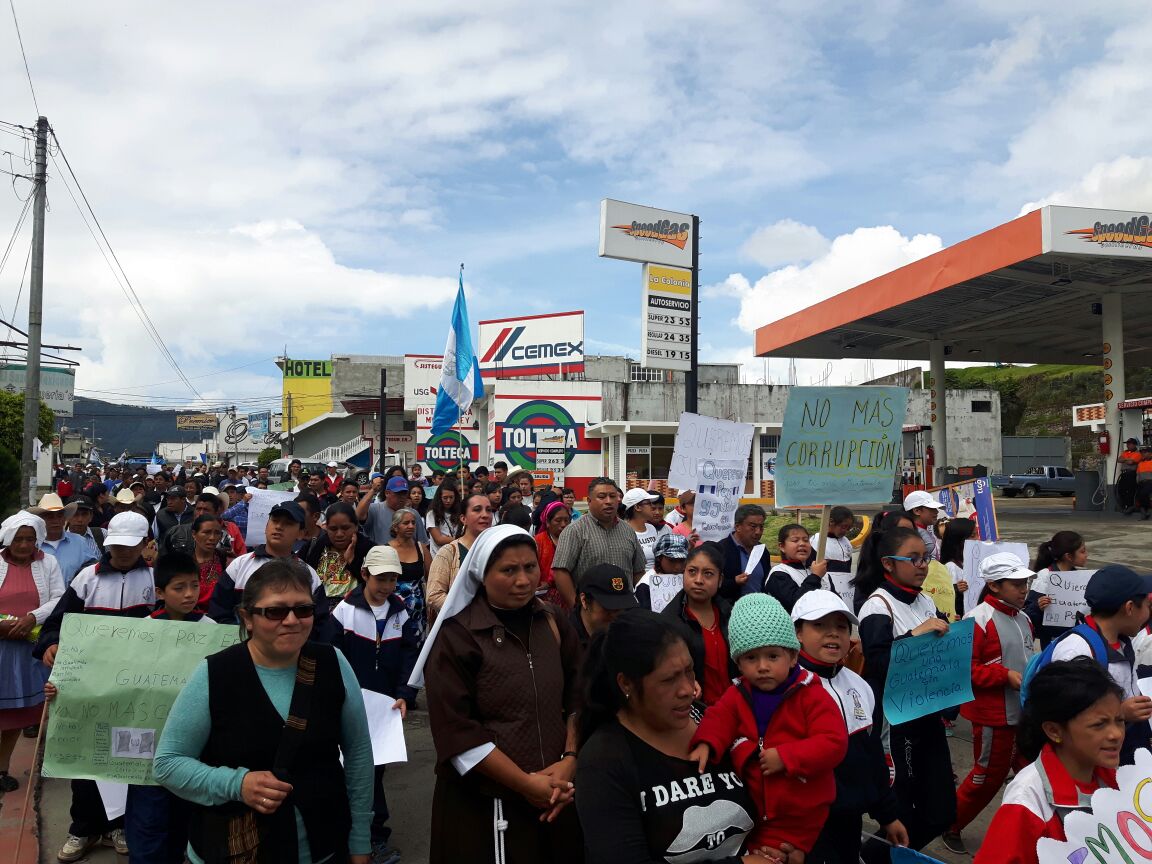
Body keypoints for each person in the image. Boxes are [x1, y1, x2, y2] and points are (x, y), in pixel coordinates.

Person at [153, 561, 375, 863]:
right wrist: (238, 785)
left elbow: (359, 754)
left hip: (322, 844)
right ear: (248, 618)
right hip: (233, 847)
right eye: (275, 611)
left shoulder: (334, 663)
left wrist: (360, 839)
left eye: (304, 609)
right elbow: (168, 764)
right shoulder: (215, 674)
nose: (292, 620)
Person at [413, 525, 583, 864]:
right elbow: (457, 731)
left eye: (530, 567)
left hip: (555, 794)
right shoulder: (459, 636)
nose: (524, 580)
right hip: (484, 804)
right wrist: (524, 783)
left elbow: (579, 693)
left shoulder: (552, 621)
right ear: (481, 574)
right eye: (508, 570)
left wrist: (569, 760)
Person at [576, 609, 781, 862]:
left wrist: (782, 844)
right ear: (626, 684)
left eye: (689, 671)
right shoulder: (603, 761)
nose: (687, 690)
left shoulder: (715, 722)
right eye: (669, 680)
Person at [690, 593, 847, 858]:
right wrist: (706, 741)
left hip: (802, 809)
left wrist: (787, 757)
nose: (763, 667)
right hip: (757, 808)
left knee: (774, 854)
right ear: (738, 663)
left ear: (793, 657)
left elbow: (834, 742)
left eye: (773, 656)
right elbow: (718, 717)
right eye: (751, 658)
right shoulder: (739, 693)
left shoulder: (811, 695)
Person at [35, 511, 154, 861]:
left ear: (146, 545)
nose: (122, 553)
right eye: (116, 546)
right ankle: (83, 828)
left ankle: (119, 824)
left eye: (130, 547)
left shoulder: (156, 580)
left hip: (137, 689)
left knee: (129, 755)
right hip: (91, 686)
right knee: (87, 757)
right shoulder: (87, 578)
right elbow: (57, 624)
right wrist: (51, 645)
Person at [857, 526, 956, 859]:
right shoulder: (877, 607)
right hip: (896, 727)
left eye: (925, 558)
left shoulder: (926, 599)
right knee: (900, 813)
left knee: (941, 811)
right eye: (912, 559)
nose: (922, 565)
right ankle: (876, 857)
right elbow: (878, 665)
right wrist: (916, 634)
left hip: (929, 718)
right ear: (888, 564)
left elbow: (941, 652)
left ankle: (878, 856)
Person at [791, 591, 907, 864]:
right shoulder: (786, 689)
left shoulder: (860, 686)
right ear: (797, 633)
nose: (833, 634)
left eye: (841, 627)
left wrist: (887, 814)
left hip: (849, 821)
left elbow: (873, 757)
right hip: (803, 826)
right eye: (819, 625)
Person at [973, 659, 1123, 864]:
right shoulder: (1027, 801)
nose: (1115, 734)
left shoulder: (1118, 780)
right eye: (1099, 724)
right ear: (1054, 730)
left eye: (1120, 720)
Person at [942, 553, 1036, 855]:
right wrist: (1004, 675)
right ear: (994, 586)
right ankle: (949, 824)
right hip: (992, 718)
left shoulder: (1023, 618)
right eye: (1016, 583)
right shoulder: (976, 619)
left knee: (1031, 775)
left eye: (1026, 583)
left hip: (1022, 715)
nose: (1024, 589)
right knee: (986, 779)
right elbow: (964, 669)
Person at [332, 545, 418, 862]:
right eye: (381, 578)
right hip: (350, 706)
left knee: (375, 772)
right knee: (347, 770)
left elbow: (412, 656)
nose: (386, 586)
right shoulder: (345, 611)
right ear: (365, 574)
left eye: (393, 579)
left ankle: (375, 836)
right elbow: (332, 656)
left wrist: (405, 694)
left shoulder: (401, 611)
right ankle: (348, 835)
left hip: (385, 710)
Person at [1049, 564, 1152, 763]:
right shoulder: (1077, 650)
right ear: (1130, 608)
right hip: (1093, 760)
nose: (1148, 616)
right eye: (1147, 607)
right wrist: (1121, 712)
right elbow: (1066, 714)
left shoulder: (1122, 641)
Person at [0, 513, 64, 793]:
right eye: (18, 538)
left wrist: (31, 618)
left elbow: (59, 597)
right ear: (8, 538)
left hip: (27, 649)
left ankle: (1, 769)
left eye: (29, 539)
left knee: (14, 715)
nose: (24, 545)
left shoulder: (47, 562)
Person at [206, 502, 331, 640]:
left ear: (301, 533)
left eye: (288, 523)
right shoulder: (239, 566)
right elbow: (219, 611)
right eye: (275, 521)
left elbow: (319, 624)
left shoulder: (310, 576)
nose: (278, 527)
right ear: (266, 526)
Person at [661, 542, 736, 706]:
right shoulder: (669, 622)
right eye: (692, 572)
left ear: (720, 579)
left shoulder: (731, 615)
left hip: (735, 707)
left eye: (708, 574)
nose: (698, 580)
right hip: (694, 711)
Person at [551, 477, 645, 608]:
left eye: (613, 496)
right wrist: (577, 607)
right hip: (591, 611)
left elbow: (639, 571)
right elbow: (560, 572)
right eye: (602, 497)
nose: (608, 501)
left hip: (625, 609)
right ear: (589, 501)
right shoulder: (575, 531)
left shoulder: (628, 530)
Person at [426, 493, 494, 623]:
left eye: (489, 510)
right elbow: (433, 596)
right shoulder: (448, 553)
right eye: (477, 509)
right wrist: (469, 610)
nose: (485, 515)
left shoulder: (496, 550)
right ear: (463, 519)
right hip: (460, 627)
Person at [305, 502, 375, 610]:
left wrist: (352, 561)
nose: (339, 534)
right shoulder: (316, 546)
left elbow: (376, 585)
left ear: (356, 526)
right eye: (333, 529)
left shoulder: (369, 550)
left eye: (345, 528)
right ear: (326, 527)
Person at [1025, 530, 1088, 649]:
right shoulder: (1045, 576)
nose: (1086, 555)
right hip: (1052, 643)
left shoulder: (1080, 578)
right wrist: (1038, 606)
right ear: (1068, 556)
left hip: (1075, 639)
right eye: (1082, 551)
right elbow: (1028, 614)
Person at [569, 563, 639, 648]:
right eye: (608, 608)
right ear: (584, 600)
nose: (615, 615)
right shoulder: (566, 639)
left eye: (620, 607)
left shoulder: (628, 632)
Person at [763, 523, 828, 613]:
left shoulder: (819, 570)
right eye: (795, 540)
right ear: (782, 546)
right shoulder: (778, 573)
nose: (802, 544)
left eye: (806, 540)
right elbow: (796, 604)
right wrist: (815, 577)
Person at [31, 493, 92, 586]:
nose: (55, 520)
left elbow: (91, 570)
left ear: (64, 519)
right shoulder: (32, 545)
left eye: (59, 516)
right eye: (50, 516)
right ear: (40, 520)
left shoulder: (80, 542)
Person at [388, 508, 431, 636]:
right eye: (406, 523)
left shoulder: (421, 548)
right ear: (396, 527)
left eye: (413, 522)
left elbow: (432, 577)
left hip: (418, 614)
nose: (411, 526)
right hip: (393, 612)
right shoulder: (386, 549)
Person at [357, 475, 431, 547]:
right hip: (381, 557)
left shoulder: (413, 513)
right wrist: (373, 490)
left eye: (404, 493)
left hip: (408, 557)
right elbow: (358, 515)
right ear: (387, 493)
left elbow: (423, 544)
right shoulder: (375, 509)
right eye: (398, 493)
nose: (402, 497)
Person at [719, 503, 767, 600]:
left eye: (761, 527)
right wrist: (734, 582)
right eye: (753, 526)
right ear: (738, 527)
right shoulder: (721, 550)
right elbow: (712, 585)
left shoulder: (763, 551)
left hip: (760, 610)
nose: (758, 532)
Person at [635, 531, 689, 613]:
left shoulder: (688, 578)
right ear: (659, 558)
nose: (678, 566)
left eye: (682, 560)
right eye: (672, 560)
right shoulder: (646, 585)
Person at [534, 500, 572, 608]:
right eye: (558, 520)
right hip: (543, 597)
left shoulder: (574, 541)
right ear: (547, 522)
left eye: (566, 520)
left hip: (568, 594)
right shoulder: (538, 542)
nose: (563, 525)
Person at [936, 517, 975, 621]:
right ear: (959, 540)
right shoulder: (951, 567)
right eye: (973, 536)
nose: (978, 539)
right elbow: (944, 599)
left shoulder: (968, 562)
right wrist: (955, 589)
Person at [808, 507, 855, 579]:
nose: (845, 531)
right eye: (843, 527)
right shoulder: (817, 540)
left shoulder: (846, 542)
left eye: (848, 528)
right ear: (831, 521)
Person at [622, 487, 661, 569]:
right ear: (637, 507)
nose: (652, 506)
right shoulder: (623, 531)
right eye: (649, 503)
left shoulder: (651, 528)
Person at [903, 490, 944, 560]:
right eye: (931, 508)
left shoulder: (920, 530)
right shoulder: (913, 534)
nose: (936, 511)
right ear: (917, 511)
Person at [66, 495, 105, 561]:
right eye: (75, 514)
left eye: (84, 514)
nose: (80, 519)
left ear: (91, 516)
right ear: (67, 516)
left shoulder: (102, 534)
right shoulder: (59, 540)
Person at [425, 482, 459, 556]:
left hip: (455, 557)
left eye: (451, 497)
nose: (448, 501)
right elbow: (439, 540)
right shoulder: (432, 514)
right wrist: (460, 539)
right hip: (438, 557)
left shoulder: (459, 512)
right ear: (439, 497)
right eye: (445, 498)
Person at [1119, 437, 1143, 513]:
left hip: (1131, 474)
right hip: (1124, 474)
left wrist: (1125, 459)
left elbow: (1131, 462)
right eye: (1127, 444)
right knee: (1121, 490)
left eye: (1129, 444)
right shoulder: (1125, 452)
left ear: (1134, 445)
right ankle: (1124, 505)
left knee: (1130, 491)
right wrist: (1128, 459)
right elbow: (1119, 460)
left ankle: (1130, 507)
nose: (1127, 445)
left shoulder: (1137, 453)